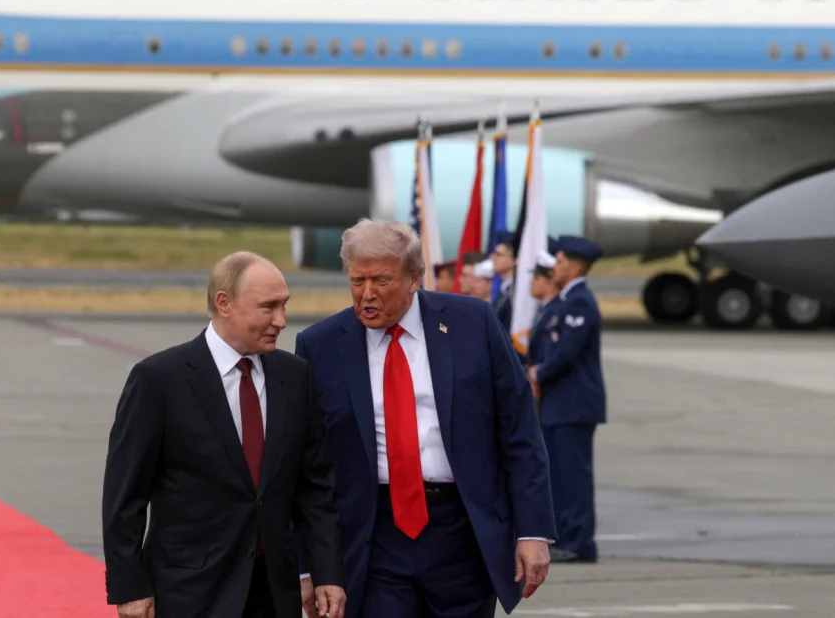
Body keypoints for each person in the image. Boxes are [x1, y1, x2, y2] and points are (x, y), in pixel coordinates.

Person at [293, 219, 556, 618]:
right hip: (373, 533)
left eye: (380, 281)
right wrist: (308, 564)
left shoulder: (474, 324)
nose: (366, 295)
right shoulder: (320, 345)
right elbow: (307, 467)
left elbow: (519, 431)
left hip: (461, 529)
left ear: (415, 279)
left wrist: (534, 530)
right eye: (356, 281)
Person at [101, 251, 346, 618]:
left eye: (284, 305)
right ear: (224, 303)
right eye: (268, 307)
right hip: (188, 591)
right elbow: (125, 495)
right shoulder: (160, 379)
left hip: (273, 592)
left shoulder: (295, 377)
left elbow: (314, 490)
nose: (281, 320)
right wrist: (130, 587)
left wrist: (326, 572)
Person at [526, 236, 606, 564]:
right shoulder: (565, 302)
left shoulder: (580, 302)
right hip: (560, 402)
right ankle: (567, 537)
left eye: (559, 262)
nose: (554, 267)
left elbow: (567, 352)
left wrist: (538, 374)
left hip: (574, 402)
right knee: (560, 473)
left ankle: (579, 541)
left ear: (573, 267)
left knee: (573, 476)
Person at [527, 249, 561, 406]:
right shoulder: (543, 309)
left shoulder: (556, 310)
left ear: (550, 281)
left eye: (536, 277)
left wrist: (537, 374)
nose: (531, 282)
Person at [488, 231, 518, 330]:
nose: (492, 258)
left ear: (513, 260)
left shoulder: (514, 294)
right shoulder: (505, 291)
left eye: (499, 254)